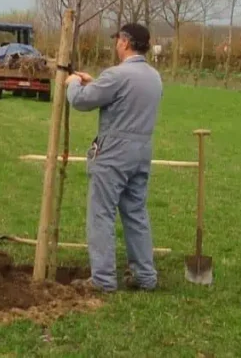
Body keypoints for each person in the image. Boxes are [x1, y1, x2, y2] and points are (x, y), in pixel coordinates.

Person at [65, 22, 163, 292]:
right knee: (136, 214)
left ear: (125, 42)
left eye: (117, 40)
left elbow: (83, 101)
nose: (115, 44)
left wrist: (73, 85)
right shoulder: (154, 77)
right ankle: (145, 276)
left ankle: (103, 280)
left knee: (101, 214)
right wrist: (94, 83)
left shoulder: (117, 75)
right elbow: (120, 98)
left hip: (114, 153)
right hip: (142, 151)